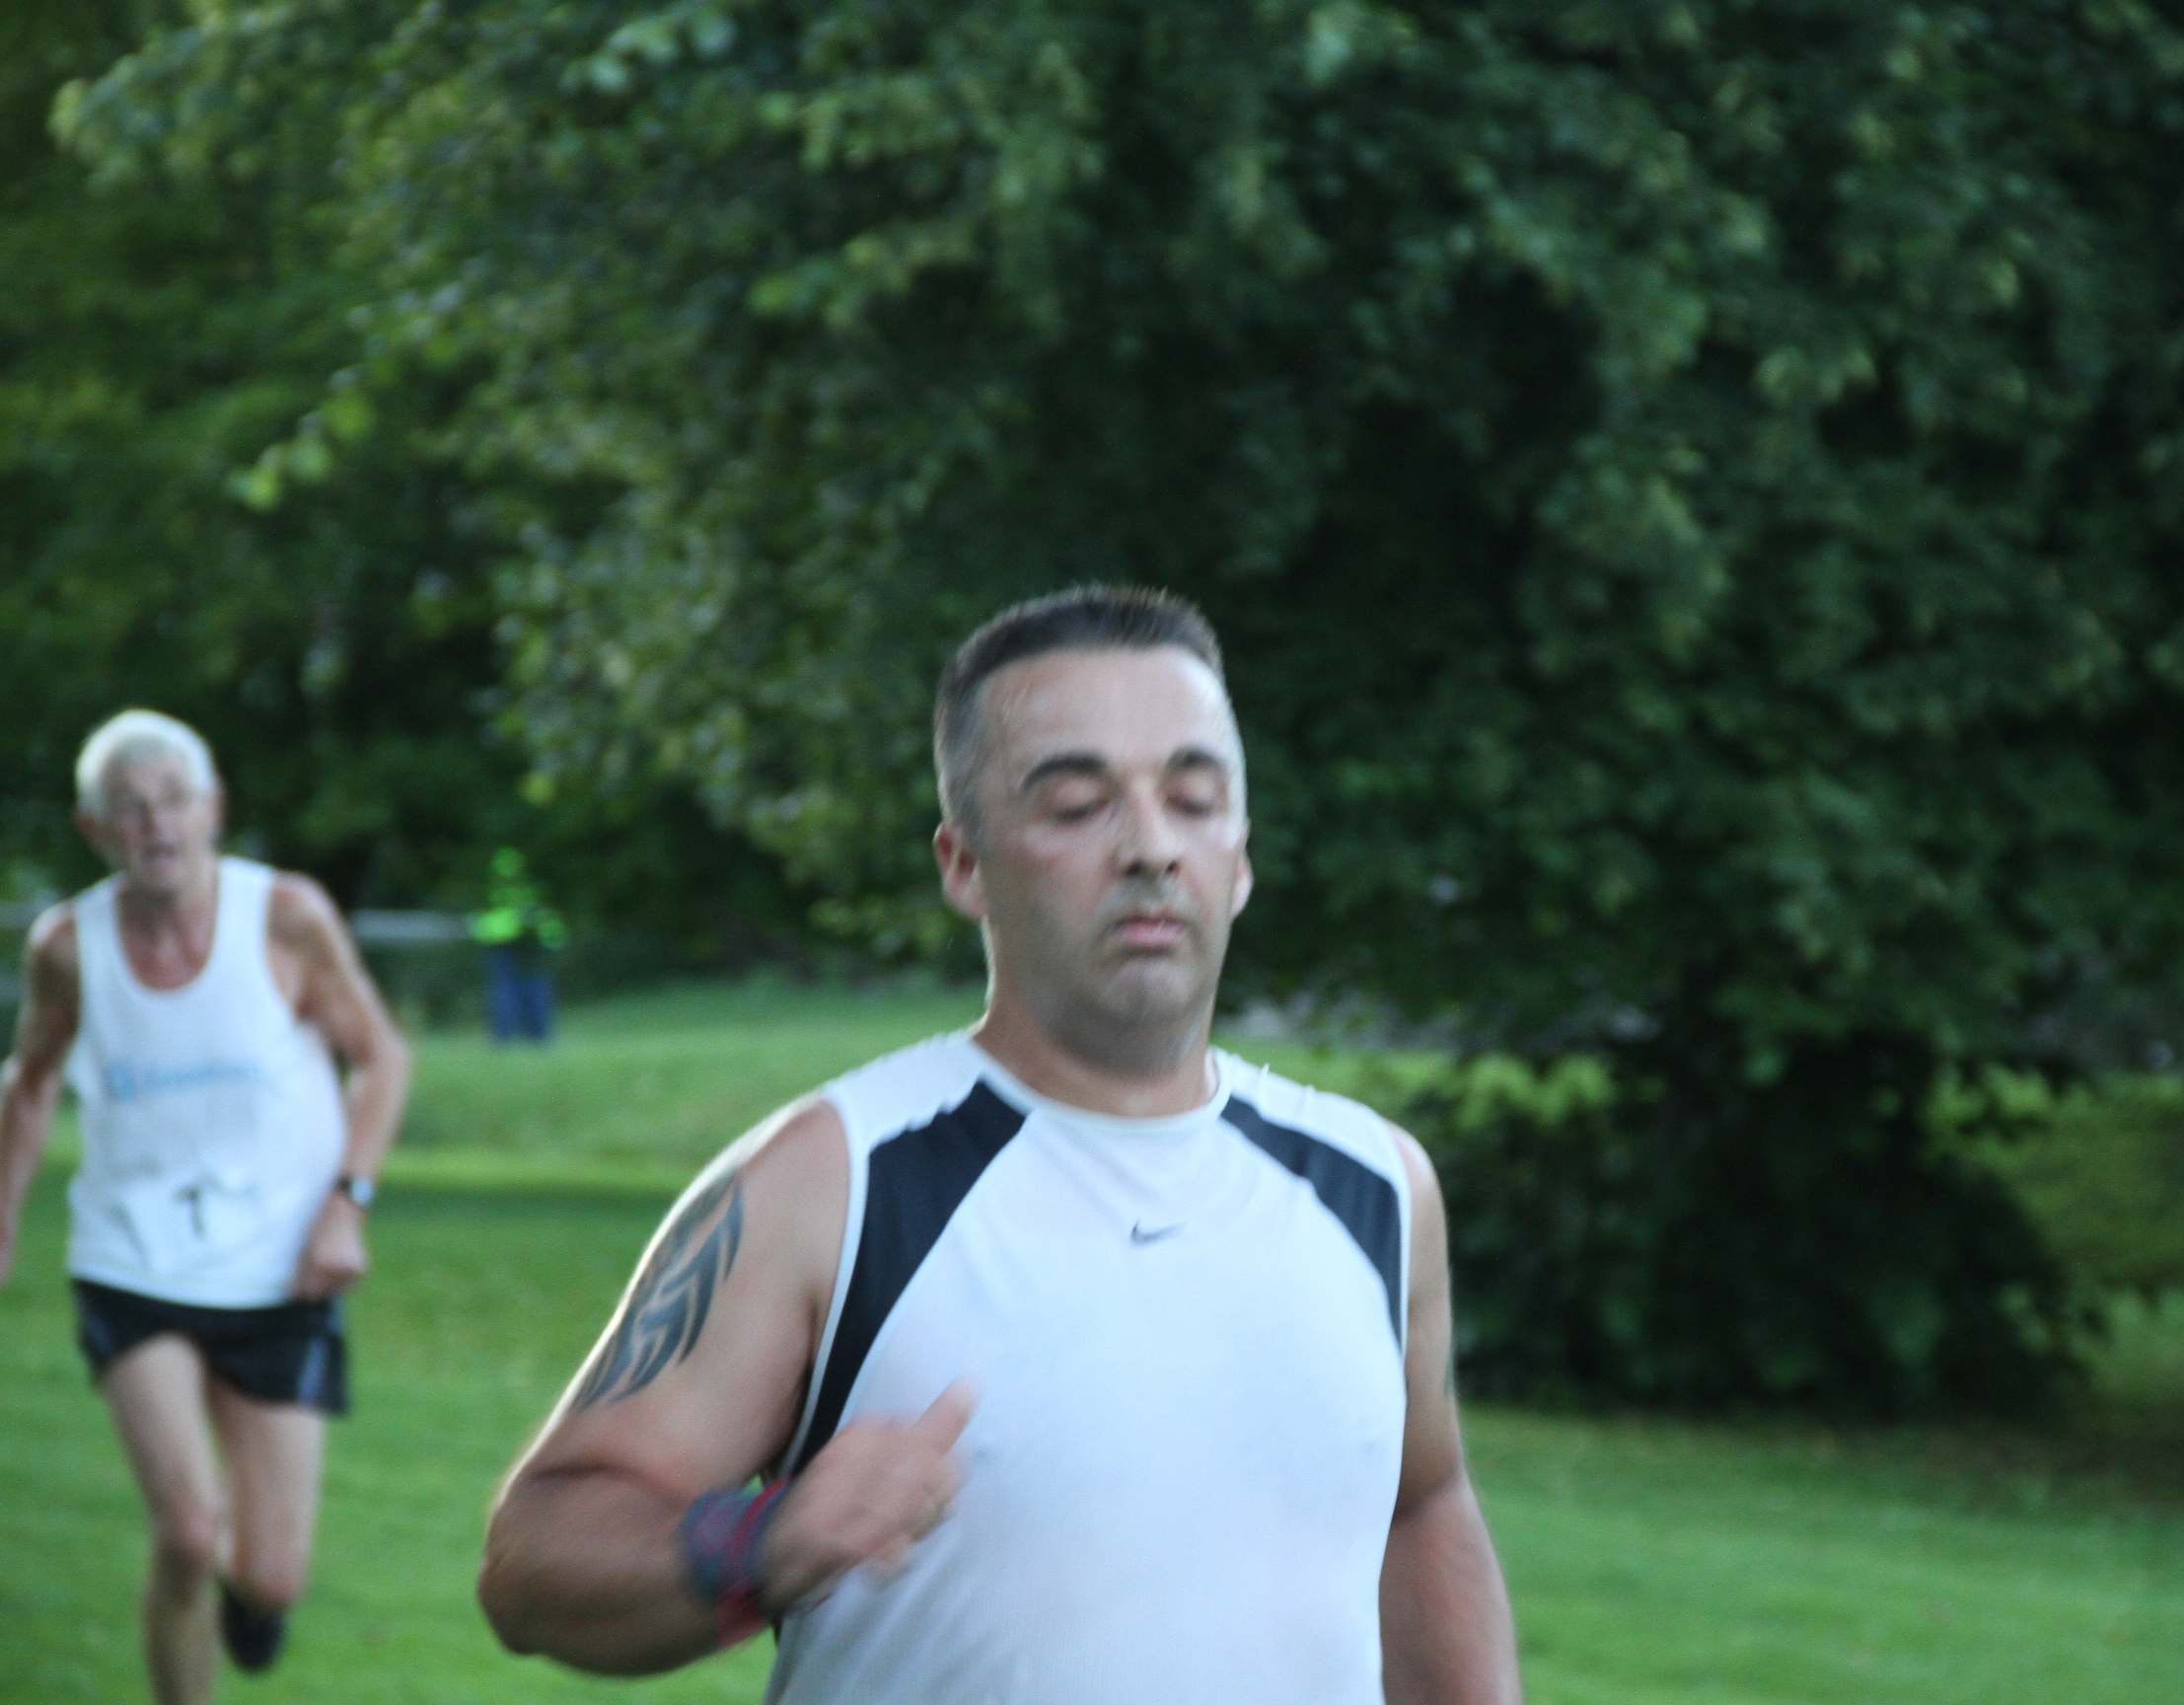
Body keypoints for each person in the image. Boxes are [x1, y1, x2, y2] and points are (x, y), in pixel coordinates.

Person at [477, 587, 1522, 1703]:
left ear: (1243, 855)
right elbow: (536, 1558)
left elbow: (1422, 1504)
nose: (1150, 848)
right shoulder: (836, 1183)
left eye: (1193, 799)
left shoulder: (1376, 1186)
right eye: (1076, 805)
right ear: (964, 864)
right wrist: (765, 1542)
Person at [0, 709, 412, 1705]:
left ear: (213, 808)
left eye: (174, 799)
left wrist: (348, 1203)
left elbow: (382, 1056)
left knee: (271, 1576)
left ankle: (252, 1599)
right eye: (130, 807)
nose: (157, 824)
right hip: (131, 1259)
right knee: (188, 1530)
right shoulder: (68, 948)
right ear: (95, 828)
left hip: (281, 1266)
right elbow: (31, 1083)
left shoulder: (286, 917)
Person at [472, 847, 567, 1044]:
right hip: (522, 943)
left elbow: (479, 921)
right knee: (526, 989)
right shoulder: (530, 887)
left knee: (510, 991)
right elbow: (547, 918)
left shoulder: (492, 889)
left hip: (508, 943)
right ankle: (536, 1037)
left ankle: (508, 1038)